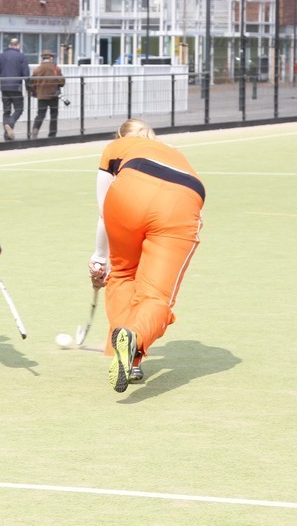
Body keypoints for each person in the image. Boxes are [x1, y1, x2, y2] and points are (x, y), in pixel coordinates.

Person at [88, 118, 205, 393]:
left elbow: (104, 212)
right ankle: (133, 341)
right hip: (181, 201)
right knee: (156, 297)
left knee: (122, 274)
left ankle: (126, 357)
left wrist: (99, 260)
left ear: (122, 136)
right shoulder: (173, 151)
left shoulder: (116, 148)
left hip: (129, 194)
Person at [0, 37, 30, 141]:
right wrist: (28, 87)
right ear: (18, 46)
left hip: (4, 87)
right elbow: (26, 73)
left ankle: (7, 135)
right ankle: (10, 124)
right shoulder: (21, 56)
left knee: (6, 111)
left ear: (9, 45)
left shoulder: (0, 56)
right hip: (16, 87)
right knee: (19, 109)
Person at [30, 50, 65, 138]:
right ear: (51, 58)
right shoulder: (56, 69)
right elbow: (62, 83)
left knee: (40, 114)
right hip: (53, 95)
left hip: (41, 95)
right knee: (53, 114)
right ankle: (52, 134)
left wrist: (34, 92)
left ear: (42, 58)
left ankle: (35, 129)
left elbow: (32, 83)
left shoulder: (37, 69)